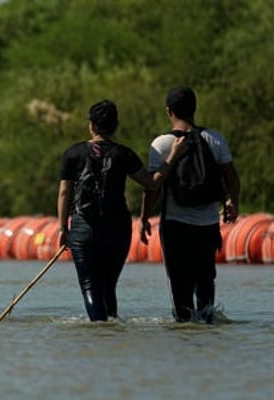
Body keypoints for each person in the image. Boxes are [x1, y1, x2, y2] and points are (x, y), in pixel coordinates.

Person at [58, 99, 188, 321]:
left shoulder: (73, 154)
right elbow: (152, 183)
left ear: (91, 125)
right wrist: (173, 155)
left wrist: (63, 228)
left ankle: (99, 329)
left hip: (83, 228)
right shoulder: (124, 154)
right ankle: (111, 331)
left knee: (90, 285)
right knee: (108, 286)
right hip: (117, 228)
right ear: (115, 125)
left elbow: (64, 193)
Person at [139, 86, 240, 324]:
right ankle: (207, 326)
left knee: (179, 287)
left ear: (169, 111)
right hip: (207, 224)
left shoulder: (162, 144)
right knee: (206, 283)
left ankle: (185, 332)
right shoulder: (214, 139)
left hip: (176, 225)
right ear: (194, 109)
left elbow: (153, 187)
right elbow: (232, 177)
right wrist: (233, 202)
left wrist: (144, 217)